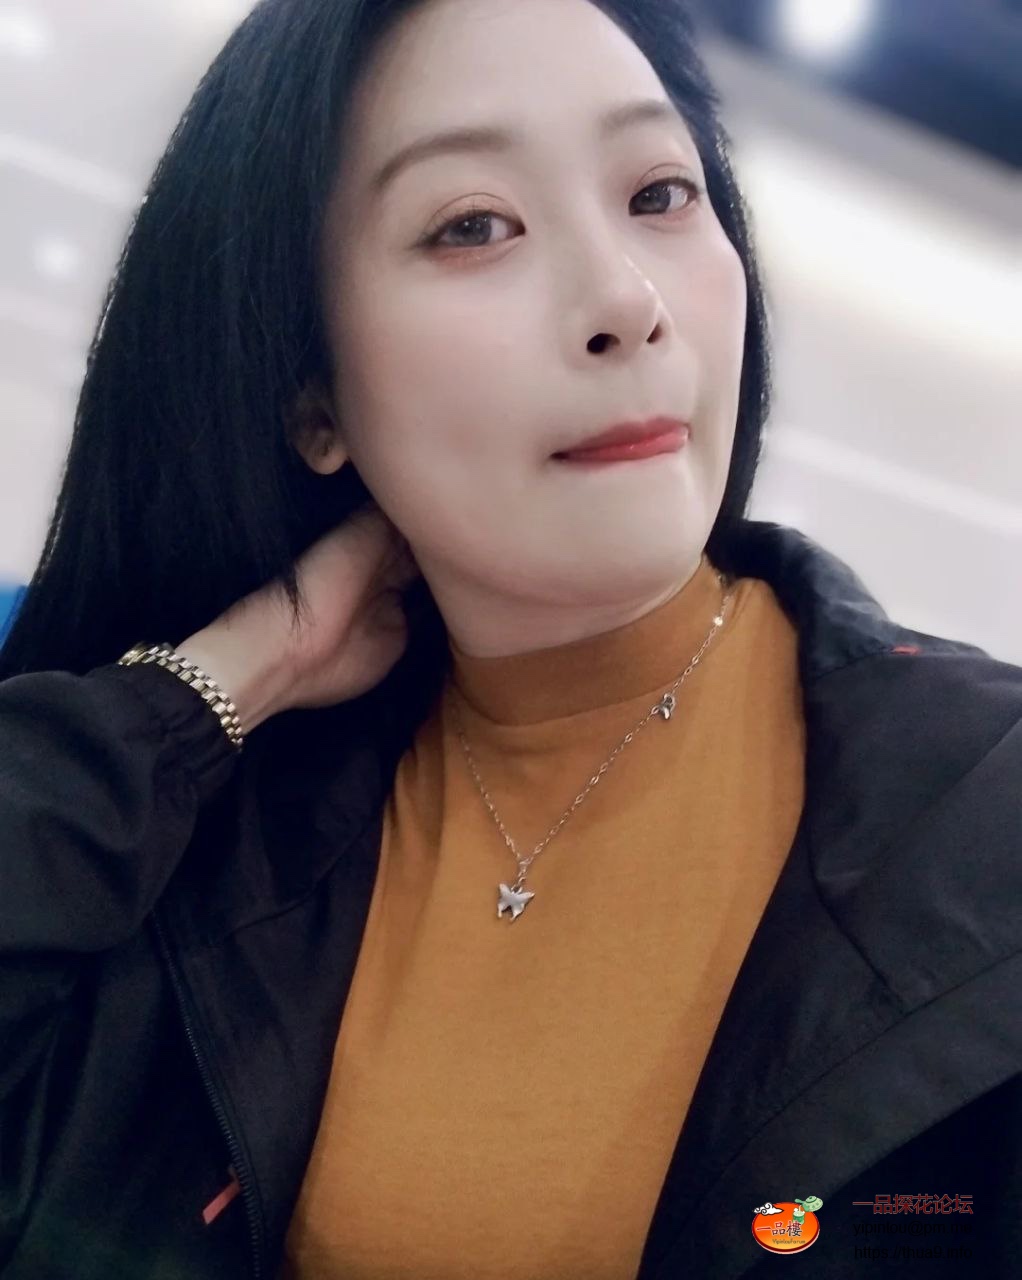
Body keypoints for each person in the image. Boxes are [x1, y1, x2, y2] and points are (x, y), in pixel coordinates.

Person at [0, 0, 1018, 1277]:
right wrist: (222, 681)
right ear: (314, 400)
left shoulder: (982, 807)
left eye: (658, 193)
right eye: (472, 225)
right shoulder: (225, 837)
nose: (624, 300)